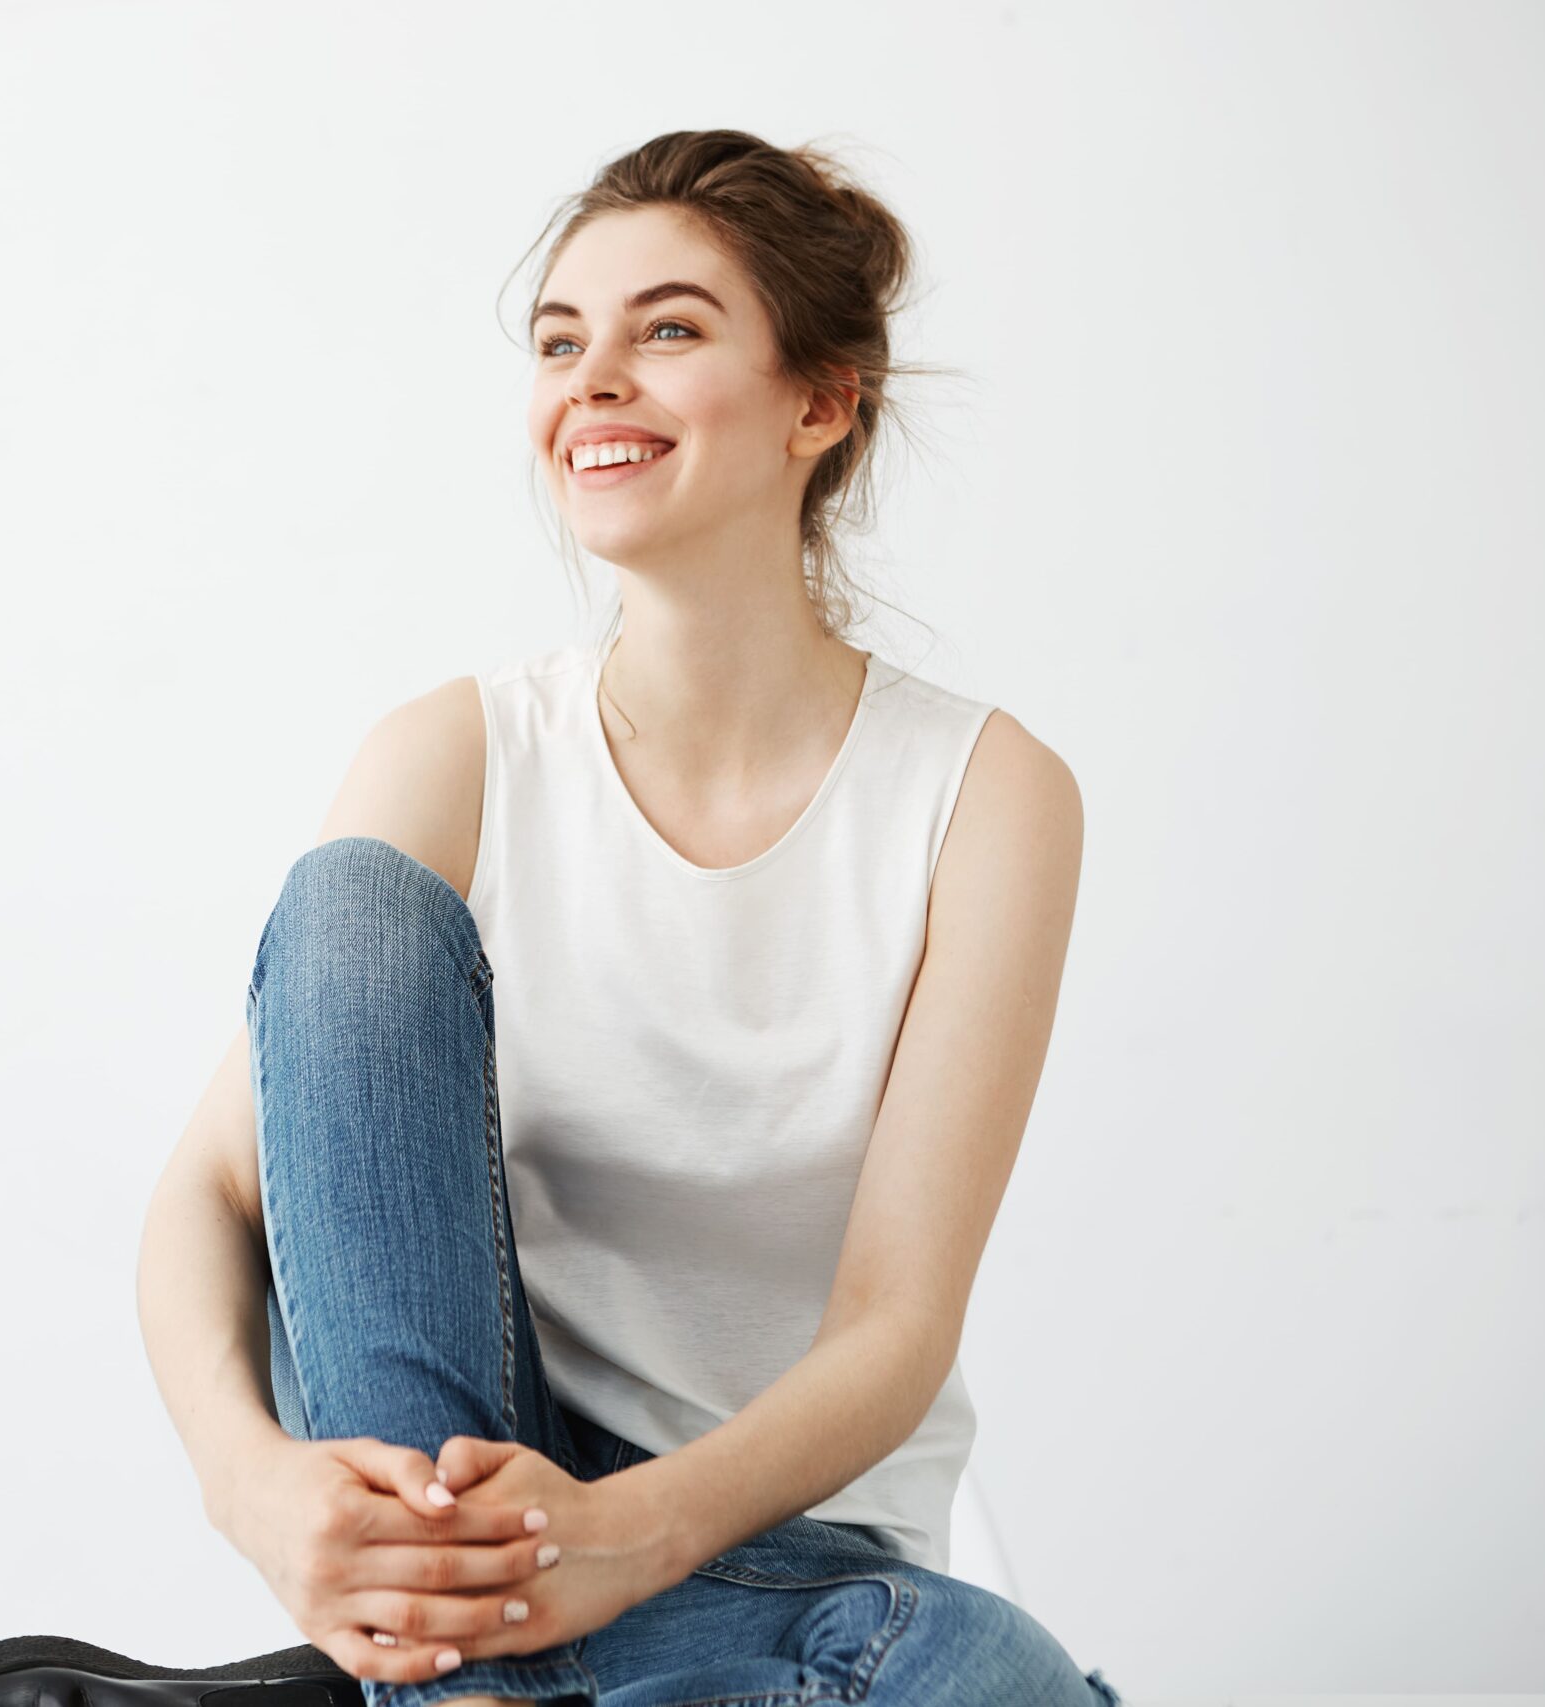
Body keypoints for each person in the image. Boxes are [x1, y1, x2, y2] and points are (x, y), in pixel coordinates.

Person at [137, 129, 1115, 1707]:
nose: (592, 380)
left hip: (794, 1558)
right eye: (557, 342)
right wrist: (254, 1490)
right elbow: (204, 1196)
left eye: (666, 329)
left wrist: (625, 1539)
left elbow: (897, 1322)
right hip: (478, 1516)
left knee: (993, 1678)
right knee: (355, 914)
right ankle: (452, 1680)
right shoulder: (455, 756)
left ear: (821, 402)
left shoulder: (988, 795)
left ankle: (457, 1690)